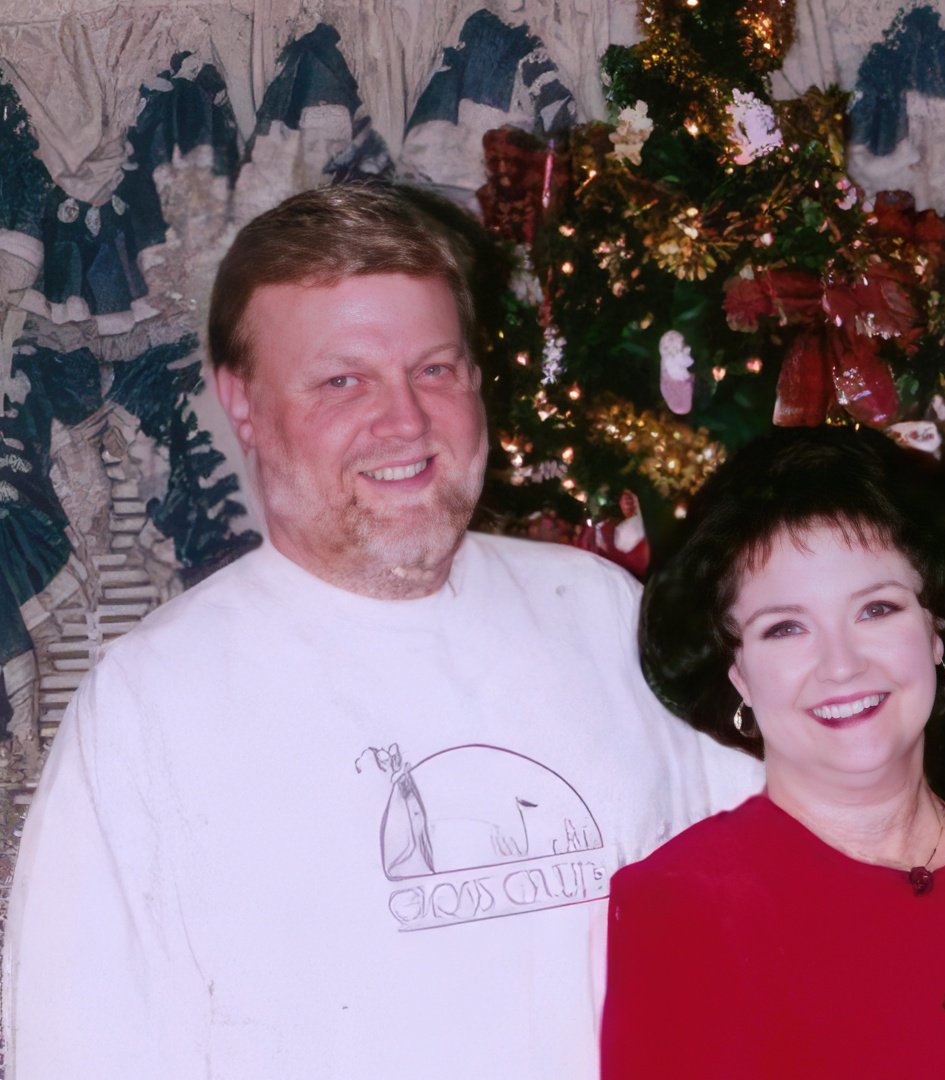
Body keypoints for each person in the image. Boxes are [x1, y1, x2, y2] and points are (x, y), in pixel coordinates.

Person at [1, 183, 760, 1079]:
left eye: (435, 369)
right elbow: (79, 1052)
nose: (405, 422)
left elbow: (774, 902)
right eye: (342, 381)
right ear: (240, 402)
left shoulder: (603, 612)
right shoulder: (149, 704)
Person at [605, 425, 945, 1078]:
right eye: (786, 627)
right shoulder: (684, 907)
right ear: (739, 674)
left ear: (935, 633)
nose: (841, 665)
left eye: (877, 610)